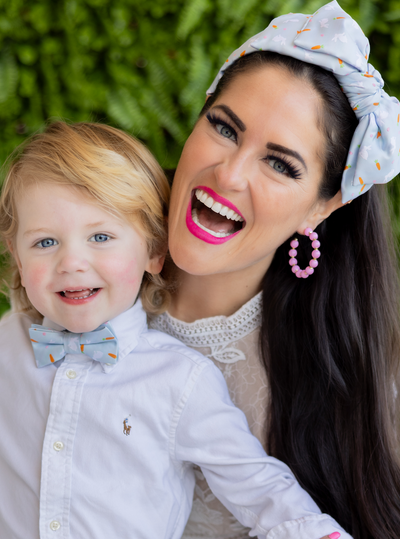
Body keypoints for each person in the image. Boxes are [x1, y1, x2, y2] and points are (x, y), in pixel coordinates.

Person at [0, 121, 346, 539]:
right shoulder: (8, 343)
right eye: (44, 243)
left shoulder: (180, 380)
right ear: (18, 261)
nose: (71, 262)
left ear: (154, 251)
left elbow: (256, 484)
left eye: (101, 236)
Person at [150, 0, 400, 539]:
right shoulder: (77, 273)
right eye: (223, 128)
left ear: (322, 207)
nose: (230, 173)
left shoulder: (350, 390)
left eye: (281, 163)